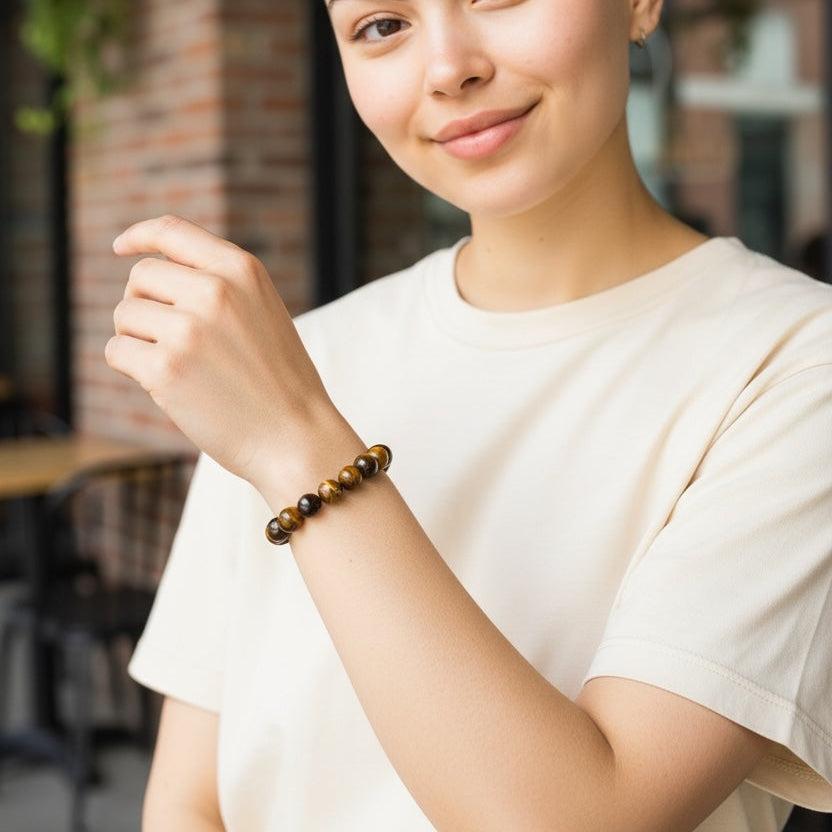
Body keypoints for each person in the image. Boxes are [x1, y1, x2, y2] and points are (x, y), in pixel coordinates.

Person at [121, 1, 832, 830]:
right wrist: (284, 418)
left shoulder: (793, 360)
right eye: (382, 25)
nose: (448, 66)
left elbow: (588, 817)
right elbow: (187, 800)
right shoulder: (295, 361)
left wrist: (295, 444)